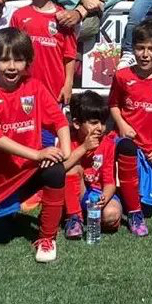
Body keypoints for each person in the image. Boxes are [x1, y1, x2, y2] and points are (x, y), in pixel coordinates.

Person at [0, 27, 71, 263]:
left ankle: (47, 237)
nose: (12, 66)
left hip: (29, 171)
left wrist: (65, 150)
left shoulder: (34, 87)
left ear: (28, 62)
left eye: (19, 59)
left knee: (55, 170)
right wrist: (37, 153)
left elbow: (58, 119)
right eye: (4, 60)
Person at [109, 21, 152, 220]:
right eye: (140, 48)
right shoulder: (122, 76)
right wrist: (122, 125)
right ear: (133, 49)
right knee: (125, 201)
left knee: (145, 210)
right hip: (128, 145)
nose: (145, 54)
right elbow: (113, 105)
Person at [62, 91, 141, 239]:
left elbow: (109, 182)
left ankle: (89, 215)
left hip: (97, 195)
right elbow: (62, 168)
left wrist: (104, 197)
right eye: (93, 123)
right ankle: (74, 218)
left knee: (111, 216)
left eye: (103, 122)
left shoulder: (107, 143)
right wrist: (84, 148)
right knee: (74, 166)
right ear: (77, 123)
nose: (100, 128)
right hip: (77, 193)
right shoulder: (68, 139)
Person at [9, 0, 78, 105]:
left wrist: (68, 84)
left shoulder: (64, 17)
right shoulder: (19, 16)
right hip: (24, 88)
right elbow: (11, 52)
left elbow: (69, 55)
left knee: (53, 127)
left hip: (54, 89)